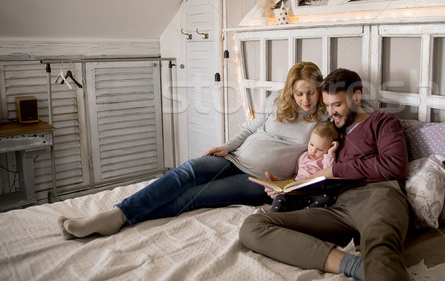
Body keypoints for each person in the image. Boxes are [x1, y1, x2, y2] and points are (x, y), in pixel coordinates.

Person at [59, 61, 326, 239]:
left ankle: (122, 219)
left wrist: (286, 184)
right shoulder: (275, 101)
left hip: (259, 180)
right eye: (299, 93)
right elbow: (249, 129)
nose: (305, 100)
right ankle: (116, 215)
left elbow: (317, 164)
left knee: (194, 196)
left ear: (320, 90)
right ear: (291, 90)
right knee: (185, 171)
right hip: (235, 158)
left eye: (311, 93)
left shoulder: (325, 121)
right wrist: (226, 147)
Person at [239, 68, 411, 281]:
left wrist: (335, 170)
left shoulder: (383, 120)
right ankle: (353, 265)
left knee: (381, 251)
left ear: (356, 97)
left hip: (379, 197)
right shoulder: (334, 134)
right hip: (338, 207)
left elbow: (394, 165)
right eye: (328, 106)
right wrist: (287, 189)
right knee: (253, 226)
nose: (331, 112)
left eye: (337, 105)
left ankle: (377, 268)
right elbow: (320, 178)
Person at [269, 120, 340, 212]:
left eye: (319, 149)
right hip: (297, 191)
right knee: (280, 197)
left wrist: (330, 153)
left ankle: (300, 214)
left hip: (314, 194)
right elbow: (296, 174)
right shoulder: (303, 156)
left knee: (328, 198)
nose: (313, 151)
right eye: (311, 144)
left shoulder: (325, 160)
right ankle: (271, 217)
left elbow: (330, 172)